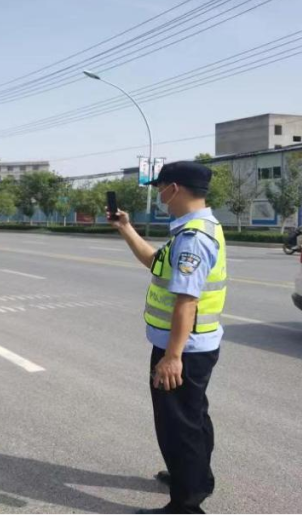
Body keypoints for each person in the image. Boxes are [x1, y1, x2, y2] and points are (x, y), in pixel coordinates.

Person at [109, 160, 227, 515]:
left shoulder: (192, 238)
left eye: (161, 188)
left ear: (174, 189)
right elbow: (154, 262)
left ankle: (185, 507)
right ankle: (195, 479)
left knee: (178, 427)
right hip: (194, 347)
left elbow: (186, 302)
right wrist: (125, 227)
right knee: (193, 418)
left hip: (183, 350)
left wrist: (172, 357)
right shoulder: (198, 227)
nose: (159, 195)